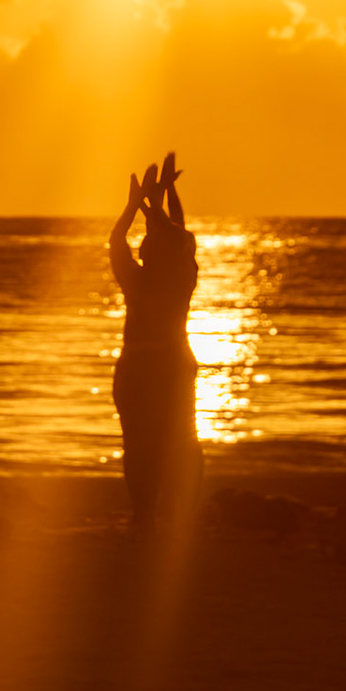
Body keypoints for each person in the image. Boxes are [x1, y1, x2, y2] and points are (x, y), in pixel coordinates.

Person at [108, 153, 202, 534]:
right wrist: (153, 200)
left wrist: (141, 204)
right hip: (158, 366)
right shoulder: (180, 278)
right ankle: (158, 512)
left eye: (148, 241)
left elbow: (170, 234)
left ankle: (154, 513)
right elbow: (177, 234)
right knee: (167, 439)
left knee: (154, 442)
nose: (144, 245)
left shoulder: (150, 279)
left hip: (151, 367)